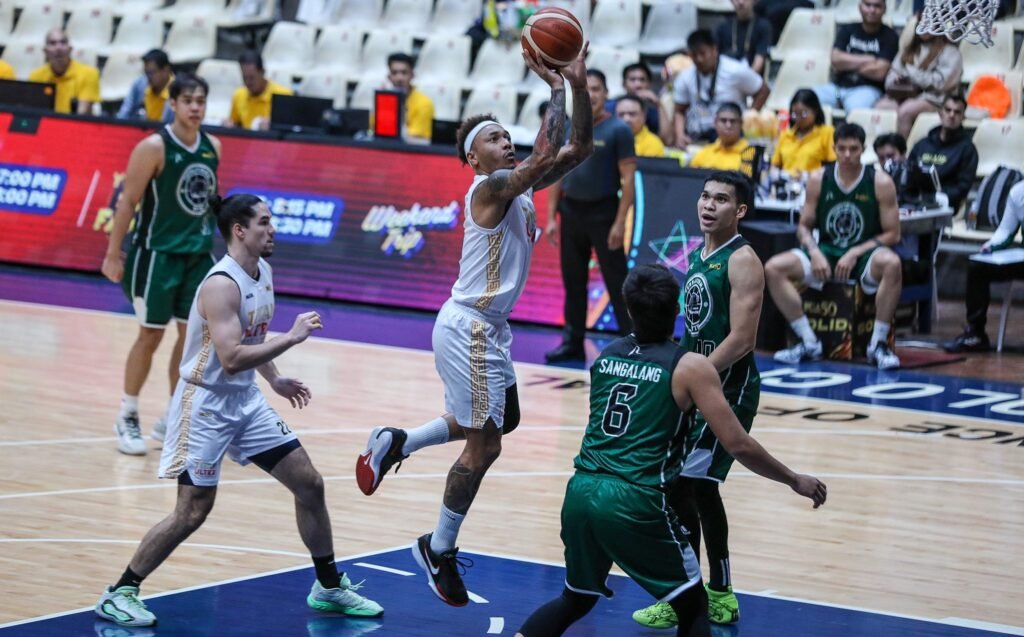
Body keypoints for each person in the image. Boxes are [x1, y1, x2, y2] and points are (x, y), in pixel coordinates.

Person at [355, 45, 594, 606]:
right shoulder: (488, 190)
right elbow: (541, 156)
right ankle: (437, 548)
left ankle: (399, 442)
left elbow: (577, 147)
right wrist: (555, 90)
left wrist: (578, 86)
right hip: (471, 328)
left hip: (486, 328)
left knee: (500, 422)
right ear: (474, 158)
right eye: (493, 138)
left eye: (506, 134)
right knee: (484, 448)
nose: (504, 142)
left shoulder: (517, 184)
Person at [94, 194, 384, 628]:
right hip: (205, 404)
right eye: (265, 222)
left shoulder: (261, 271)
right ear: (239, 230)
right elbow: (229, 356)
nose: (273, 230)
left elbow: (252, 337)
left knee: (309, 483)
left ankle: (327, 585)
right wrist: (292, 337)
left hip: (245, 400)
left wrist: (275, 378)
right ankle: (120, 592)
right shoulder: (220, 284)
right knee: (193, 511)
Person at [515, 264, 827, 637]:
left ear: (629, 309)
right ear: (678, 310)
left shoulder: (604, 358)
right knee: (694, 610)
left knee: (575, 600)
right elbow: (738, 443)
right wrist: (793, 479)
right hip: (635, 499)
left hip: (580, 492)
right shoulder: (690, 368)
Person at [631, 172, 765, 630]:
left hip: (731, 386)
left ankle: (717, 592)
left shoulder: (742, 259)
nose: (709, 205)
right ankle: (689, 590)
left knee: (695, 485)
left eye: (721, 199)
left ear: (740, 211)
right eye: (705, 196)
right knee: (683, 486)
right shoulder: (701, 252)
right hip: (700, 381)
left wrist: (697, 374)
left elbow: (743, 339)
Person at [101, 75, 221, 455]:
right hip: (156, 255)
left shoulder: (213, 146)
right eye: (188, 100)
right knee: (150, 335)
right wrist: (112, 253)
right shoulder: (153, 147)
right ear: (172, 103)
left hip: (197, 255)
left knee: (193, 340)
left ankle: (175, 416)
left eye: (201, 100)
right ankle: (128, 414)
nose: (196, 107)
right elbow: (127, 203)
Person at [766, 123, 903, 370]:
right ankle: (808, 342)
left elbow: (893, 233)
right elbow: (803, 227)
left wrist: (854, 252)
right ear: (834, 149)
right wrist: (815, 251)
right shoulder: (819, 179)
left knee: (892, 264)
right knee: (774, 268)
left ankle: (878, 344)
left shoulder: (880, 182)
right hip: (827, 251)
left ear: (863, 150)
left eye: (854, 149)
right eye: (842, 149)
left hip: (865, 253)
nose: (848, 155)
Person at [544, 69, 636, 363]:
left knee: (617, 280)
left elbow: (629, 180)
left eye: (596, 89)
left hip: (604, 211)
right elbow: (556, 173)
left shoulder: (619, 130)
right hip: (571, 211)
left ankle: (632, 342)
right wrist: (549, 218)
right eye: (586, 89)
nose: (592, 94)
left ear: (606, 94)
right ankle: (572, 342)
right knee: (573, 281)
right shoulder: (571, 126)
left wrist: (620, 222)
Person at [944, 181, 1024, 353]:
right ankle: (976, 333)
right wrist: (990, 246)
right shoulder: (1018, 192)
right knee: (977, 267)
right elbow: (1005, 231)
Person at [673, 30, 768, 146]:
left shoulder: (735, 71)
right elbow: (679, 110)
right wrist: (680, 136)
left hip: (730, 138)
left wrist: (749, 118)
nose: (699, 59)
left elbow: (763, 90)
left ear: (714, 50)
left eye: (702, 54)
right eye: (694, 55)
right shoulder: (685, 77)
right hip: (698, 137)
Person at [814, 0, 899, 112]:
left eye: (877, 6)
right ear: (860, 7)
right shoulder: (848, 29)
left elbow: (880, 72)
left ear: (884, 9)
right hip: (837, 87)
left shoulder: (890, 36)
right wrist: (869, 59)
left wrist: (847, 63)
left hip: (867, 89)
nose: (872, 10)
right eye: (868, 5)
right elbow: (835, 60)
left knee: (855, 109)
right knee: (806, 98)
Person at [874, 32, 962, 139]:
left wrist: (912, 74)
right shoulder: (909, 48)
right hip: (902, 94)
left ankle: (902, 151)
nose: (924, 28)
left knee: (906, 111)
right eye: (921, 23)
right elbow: (892, 75)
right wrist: (896, 81)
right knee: (881, 106)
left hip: (934, 97)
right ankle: (883, 147)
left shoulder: (950, 52)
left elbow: (941, 83)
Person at [906, 93, 978, 212]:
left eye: (957, 112)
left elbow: (962, 188)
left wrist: (934, 197)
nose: (951, 115)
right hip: (914, 201)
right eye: (948, 110)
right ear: (940, 113)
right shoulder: (922, 144)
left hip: (943, 205)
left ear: (963, 117)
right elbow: (908, 172)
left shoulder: (968, 150)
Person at [28, 29, 100, 115]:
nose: (58, 48)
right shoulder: (36, 76)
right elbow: (34, 110)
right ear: (45, 51)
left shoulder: (89, 73)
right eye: (53, 43)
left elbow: (82, 113)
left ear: (70, 49)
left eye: (63, 42)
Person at [771, 89, 836, 175]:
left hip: (813, 183)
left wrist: (807, 175)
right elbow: (775, 165)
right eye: (794, 114)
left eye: (803, 114)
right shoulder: (785, 135)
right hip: (786, 183)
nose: (798, 119)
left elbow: (833, 165)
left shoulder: (827, 132)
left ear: (815, 111)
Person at [606, 63, 672, 144]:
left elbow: (668, 141)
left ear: (649, 84)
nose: (638, 85)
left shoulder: (653, 109)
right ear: (623, 84)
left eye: (642, 80)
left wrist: (659, 105)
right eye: (632, 80)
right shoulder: (610, 106)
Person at [228, 50, 293, 130]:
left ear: (262, 72)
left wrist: (272, 125)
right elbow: (234, 123)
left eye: (252, 78)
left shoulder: (284, 95)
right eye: (245, 78)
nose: (248, 82)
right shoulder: (238, 95)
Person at [385, 52, 435, 144]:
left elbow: (415, 138)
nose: (399, 78)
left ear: (412, 75)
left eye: (404, 73)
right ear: (389, 77)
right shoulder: (383, 101)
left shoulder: (424, 103)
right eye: (394, 73)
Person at [689, 103, 753, 171]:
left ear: (741, 124)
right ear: (715, 123)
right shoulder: (703, 154)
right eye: (723, 120)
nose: (728, 125)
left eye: (733, 121)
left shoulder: (751, 155)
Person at [116, 49, 175, 123]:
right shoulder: (139, 85)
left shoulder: (178, 91)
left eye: (152, 72)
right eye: (146, 73)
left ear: (166, 70)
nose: (148, 77)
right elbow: (124, 114)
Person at [715, 0, 773, 75]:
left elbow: (759, 61)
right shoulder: (722, 28)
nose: (741, 2)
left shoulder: (763, 26)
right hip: (726, 79)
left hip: (753, 81)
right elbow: (715, 58)